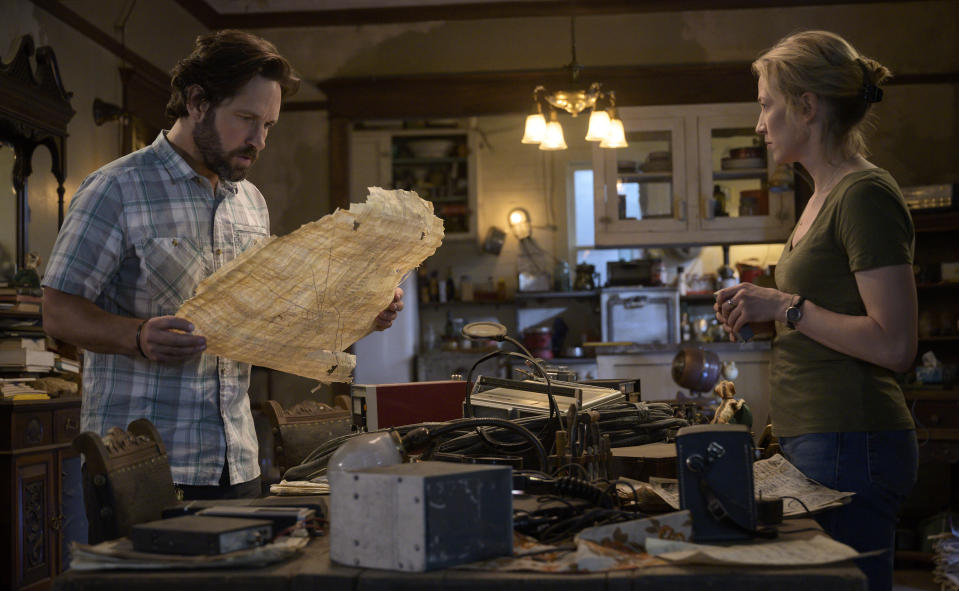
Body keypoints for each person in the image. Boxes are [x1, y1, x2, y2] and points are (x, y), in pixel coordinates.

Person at [42, 30, 404, 500]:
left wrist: (363, 313)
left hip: (237, 461)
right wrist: (135, 336)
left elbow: (269, 322)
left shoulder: (250, 202)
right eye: (246, 119)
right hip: (143, 470)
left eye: (269, 125)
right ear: (196, 102)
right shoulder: (116, 188)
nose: (259, 141)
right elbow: (56, 310)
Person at [714, 31, 917, 591]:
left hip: (855, 442)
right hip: (822, 440)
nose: (759, 124)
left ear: (806, 106)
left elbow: (895, 345)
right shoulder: (820, 196)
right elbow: (822, 314)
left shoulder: (864, 194)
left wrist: (782, 304)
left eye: (765, 105)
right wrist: (766, 308)